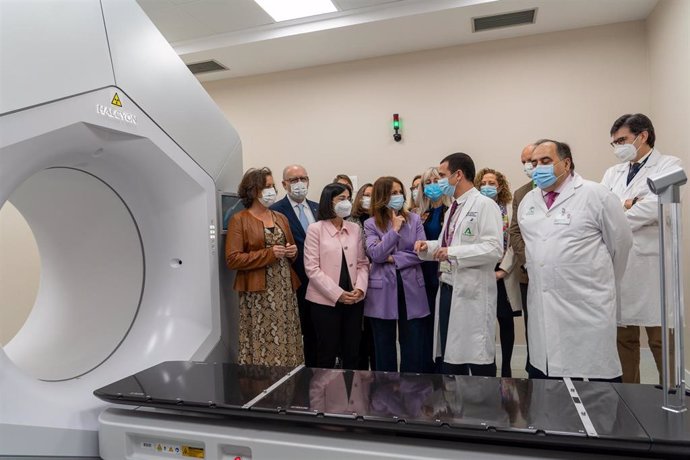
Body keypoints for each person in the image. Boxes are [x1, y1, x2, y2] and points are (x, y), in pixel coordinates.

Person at [518, 139, 632, 381]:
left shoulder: (596, 195)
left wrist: (602, 284)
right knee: (547, 392)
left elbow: (621, 245)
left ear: (566, 163)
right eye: (534, 162)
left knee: (595, 394)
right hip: (542, 306)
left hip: (586, 306)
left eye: (546, 161)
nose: (538, 167)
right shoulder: (528, 202)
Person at [602, 113, 682, 384]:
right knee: (624, 338)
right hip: (622, 264)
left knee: (660, 338)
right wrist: (628, 204)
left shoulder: (669, 165)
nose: (617, 147)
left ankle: (671, 393)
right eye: (614, 143)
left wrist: (621, 209)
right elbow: (603, 209)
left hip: (652, 266)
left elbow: (652, 208)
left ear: (643, 135)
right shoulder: (613, 173)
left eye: (622, 140)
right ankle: (629, 397)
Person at [414, 153, 503, 376]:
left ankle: (483, 407)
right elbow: (448, 243)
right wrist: (429, 247)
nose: (440, 180)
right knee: (452, 356)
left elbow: (494, 248)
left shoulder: (484, 205)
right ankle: (455, 406)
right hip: (448, 289)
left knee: (477, 357)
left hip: (471, 292)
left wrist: (451, 252)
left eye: (442, 175)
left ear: (458, 175)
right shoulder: (454, 207)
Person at [226, 167, 303, 366]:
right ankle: (262, 386)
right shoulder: (239, 220)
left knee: (286, 335)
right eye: (267, 186)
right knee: (264, 338)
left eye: (272, 186)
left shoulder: (280, 218)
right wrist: (269, 254)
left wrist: (292, 252)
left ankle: (290, 383)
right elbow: (233, 259)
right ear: (253, 190)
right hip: (258, 292)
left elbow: (289, 249)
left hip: (284, 288)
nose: (272, 190)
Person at [364, 176, 429, 373]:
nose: (398, 196)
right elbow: (375, 254)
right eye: (393, 193)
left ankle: (411, 391)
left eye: (400, 192)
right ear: (382, 196)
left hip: (411, 287)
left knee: (412, 344)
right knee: (384, 346)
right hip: (382, 289)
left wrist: (393, 258)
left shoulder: (415, 219)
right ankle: (386, 394)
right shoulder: (370, 224)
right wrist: (394, 229)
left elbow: (421, 253)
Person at [303, 183, 370, 370]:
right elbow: (312, 268)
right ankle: (323, 398)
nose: (346, 203)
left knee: (352, 352)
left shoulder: (354, 228)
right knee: (326, 353)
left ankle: (352, 398)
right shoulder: (315, 229)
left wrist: (360, 289)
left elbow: (362, 263)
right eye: (341, 199)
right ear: (329, 202)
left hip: (354, 300)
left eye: (348, 198)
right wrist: (338, 293)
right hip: (324, 302)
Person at [270, 165, 320, 367]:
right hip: (294, 279)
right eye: (293, 180)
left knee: (316, 333)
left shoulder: (318, 208)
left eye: (303, 178)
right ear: (284, 184)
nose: (299, 184)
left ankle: (317, 371)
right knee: (295, 330)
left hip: (320, 280)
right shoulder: (275, 211)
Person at [475, 167, 521, 377]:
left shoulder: (510, 211)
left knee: (505, 320)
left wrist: (503, 270)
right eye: (483, 183)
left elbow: (515, 241)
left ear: (500, 186)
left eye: (491, 183)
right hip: (482, 271)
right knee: (485, 322)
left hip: (504, 272)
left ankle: (507, 367)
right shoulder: (476, 208)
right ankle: (489, 364)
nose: (487, 186)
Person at [415, 166, 451, 372]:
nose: (432, 186)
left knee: (443, 322)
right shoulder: (422, 214)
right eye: (427, 183)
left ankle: (443, 368)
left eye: (436, 181)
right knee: (427, 323)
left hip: (443, 272)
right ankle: (428, 368)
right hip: (423, 274)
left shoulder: (451, 210)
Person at [508, 143, 536, 368]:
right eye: (524, 162)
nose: (528, 166)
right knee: (532, 324)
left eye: (532, 160)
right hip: (529, 272)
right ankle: (533, 367)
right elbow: (515, 231)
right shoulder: (522, 193)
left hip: (562, 273)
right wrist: (531, 260)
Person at [347, 182, 376, 370]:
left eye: (373, 195)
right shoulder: (351, 220)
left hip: (378, 281)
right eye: (365, 195)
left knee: (373, 333)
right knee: (357, 332)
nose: (368, 199)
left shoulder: (381, 220)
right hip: (355, 279)